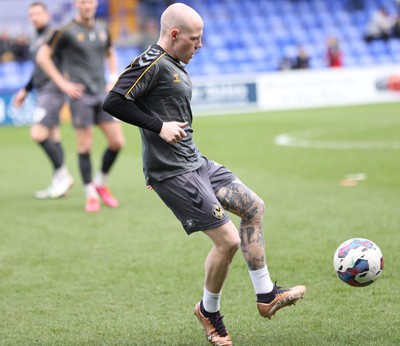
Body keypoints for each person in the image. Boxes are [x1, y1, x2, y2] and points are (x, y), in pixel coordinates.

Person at [102, 3, 306, 345]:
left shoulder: (175, 64)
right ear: (174, 34)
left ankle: (266, 295)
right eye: (195, 39)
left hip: (196, 162)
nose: (200, 45)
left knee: (253, 207)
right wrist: (159, 127)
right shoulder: (150, 62)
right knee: (226, 241)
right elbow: (113, 101)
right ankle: (208, 312)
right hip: (173, 172)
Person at [36, 0, 125, 212]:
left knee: (117, 142)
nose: (88, 5)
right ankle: (90, 194)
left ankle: (100, 184)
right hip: (80, 97)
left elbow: (110, 52)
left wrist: (113, 76)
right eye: (83, 2)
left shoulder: (103, 28)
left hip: (102, 96)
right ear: (77, 4)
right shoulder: (65, 31)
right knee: (85, 146)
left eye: (91, 2)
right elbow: (42, 57)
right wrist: (63, 83)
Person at [13, 2, 73, 199]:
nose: (34, 18)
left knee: (38, 134)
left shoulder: (55, 34)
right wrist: (26, 89)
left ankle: (63, 176)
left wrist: (67, 82)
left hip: (52, 92)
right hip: (41, 90)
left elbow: (69, 59)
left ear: (46, 14)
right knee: (53, 136)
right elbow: (38, 68)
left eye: (37, 14)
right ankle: (59, 181)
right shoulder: (36, 37)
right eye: (31, 15)